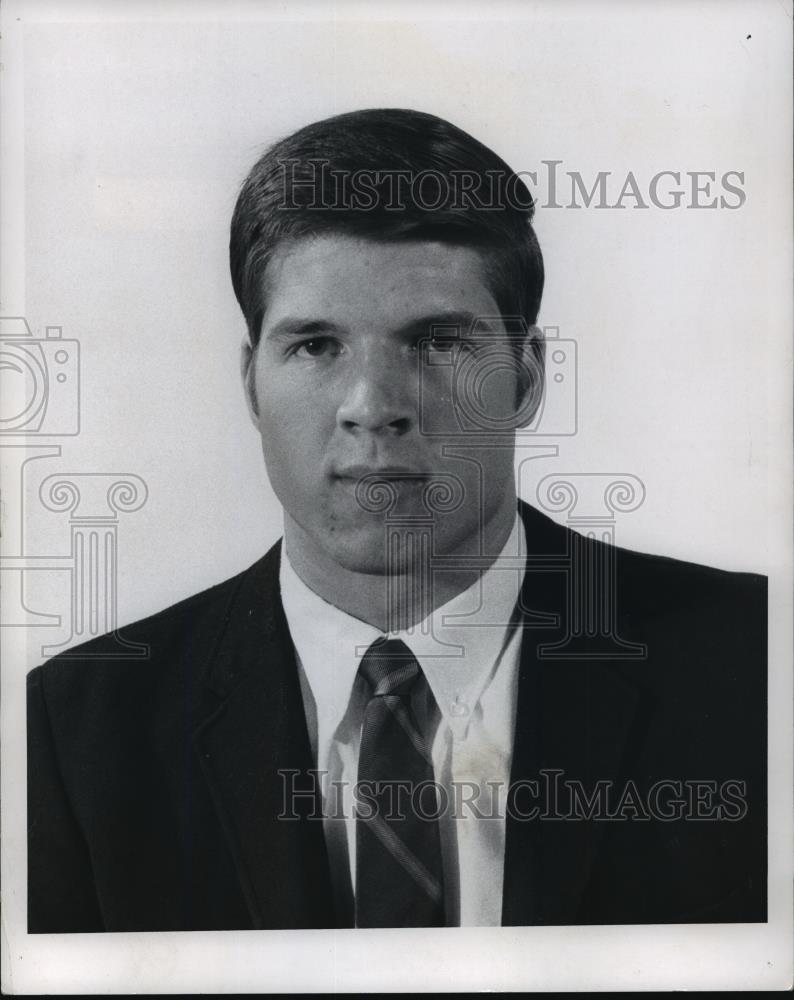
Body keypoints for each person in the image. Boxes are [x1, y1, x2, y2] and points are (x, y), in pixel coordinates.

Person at [27, 109, 767, 932]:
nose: (373, 408)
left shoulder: (761, 665)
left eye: (439, 342)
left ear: (525, 380)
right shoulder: (69, 733)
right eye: (315, 346)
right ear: (250, 384)